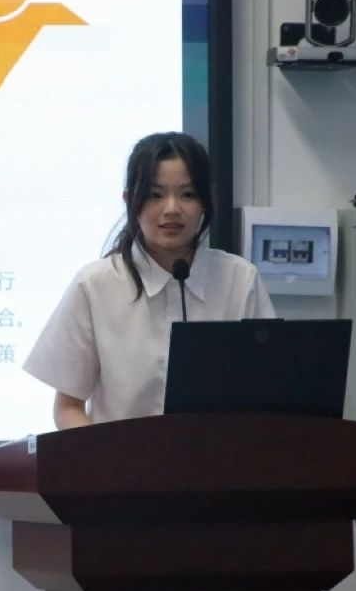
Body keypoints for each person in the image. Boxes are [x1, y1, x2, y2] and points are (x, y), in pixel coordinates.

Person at [23, 131, 276, 429]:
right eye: (155, 195)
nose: (172, 209)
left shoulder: (240, 280)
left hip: (220, 456)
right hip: (120, 457)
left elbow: (266, 391)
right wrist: (106, 456)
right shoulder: (95, 285)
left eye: (188, 194)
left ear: (205, 202)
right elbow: (68, 407)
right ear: (130, 200)